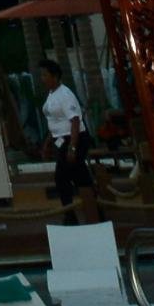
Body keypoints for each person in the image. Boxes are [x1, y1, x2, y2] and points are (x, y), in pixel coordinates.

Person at [43, 72, 92, 217]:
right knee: (76, 176)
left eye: (46, 75)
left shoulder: (65, 94)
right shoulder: (51, 95)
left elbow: (75, 120)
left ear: (55, 76)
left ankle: (75, 214)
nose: (43, 79)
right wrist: (48, 142)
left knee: (65, 177)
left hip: (73, 139)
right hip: (61, 139)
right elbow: (55, 122)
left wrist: (73, 147)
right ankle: (81, 212)